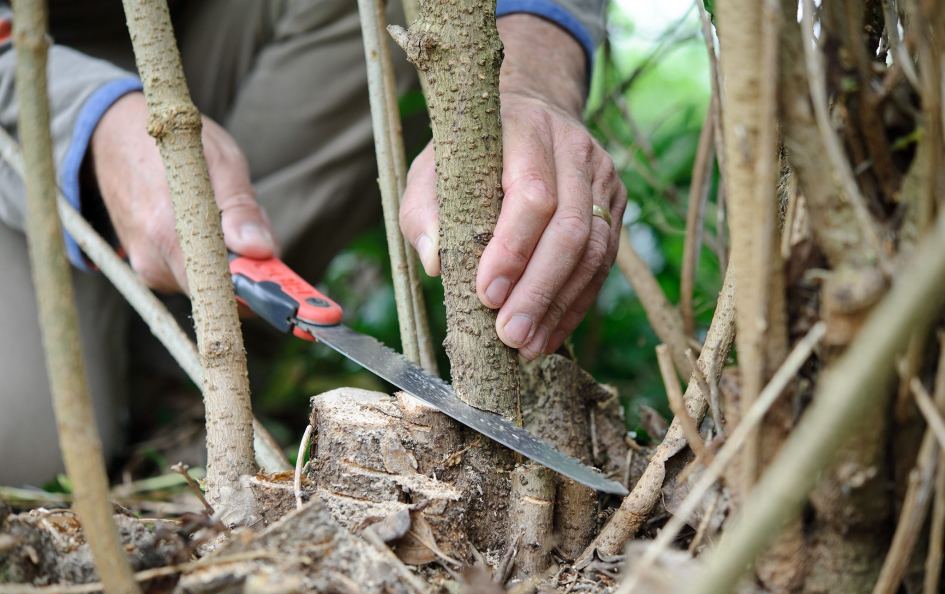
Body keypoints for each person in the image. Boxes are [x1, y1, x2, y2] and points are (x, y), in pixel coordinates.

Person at [0, 0, 626, 484]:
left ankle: (182, 379)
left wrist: (529, 80)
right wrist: (88, 119)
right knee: (29, 442)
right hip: (20, 63)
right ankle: (135, 347)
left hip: (231, 28)